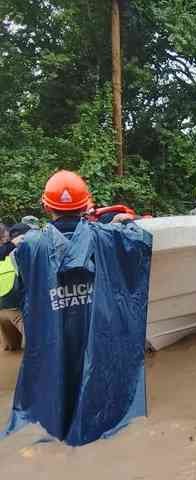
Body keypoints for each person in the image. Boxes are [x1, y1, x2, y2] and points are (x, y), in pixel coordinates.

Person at [3, 170, 152, 446]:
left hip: (54, 341)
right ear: (86, 206)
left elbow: (15, 291)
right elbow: (141, 241)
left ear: (46, 206)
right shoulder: (108, 238)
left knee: (57, 405)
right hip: (97, 342)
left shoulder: (29, 247)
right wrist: (125, 222)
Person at [0, 224, 35, 350]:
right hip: (18, 311)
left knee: (11, 348)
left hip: (2, 310)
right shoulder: (18, 253)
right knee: (36, 345)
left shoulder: (6, 252)